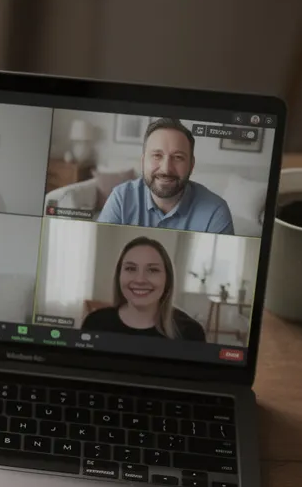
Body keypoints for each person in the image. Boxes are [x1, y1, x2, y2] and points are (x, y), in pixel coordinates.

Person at [97, 118, 234, 234]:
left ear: (191, 165)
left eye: (178, 157)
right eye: (157, 155)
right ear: (143, 161)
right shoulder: (121, 198)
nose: (166, 169)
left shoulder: (216, 212)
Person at [81, 236, 206, 340]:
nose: (140, 280)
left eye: (152, 270)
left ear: (167, 278)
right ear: (119, 275)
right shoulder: (94, 323)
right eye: (130, 268)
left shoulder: (191, 332)